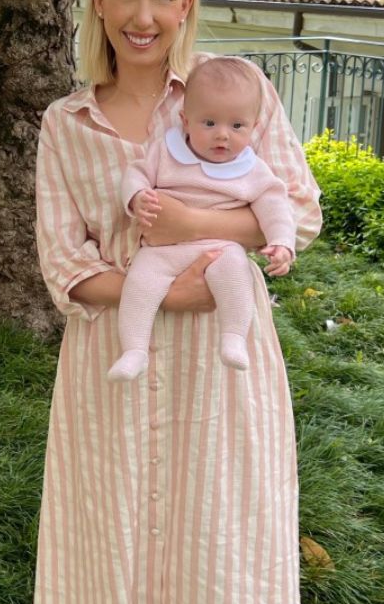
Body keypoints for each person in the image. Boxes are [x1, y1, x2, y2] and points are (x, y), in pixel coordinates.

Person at [31, 0, 322, 604]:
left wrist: (198, 233)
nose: (144, 15)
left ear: (186, 6)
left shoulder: (235, 95)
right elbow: (64, 264)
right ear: (99, 5)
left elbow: (298, 210)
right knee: (134, 526)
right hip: (117, 356)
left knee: (235, 540)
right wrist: (180, 283)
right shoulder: (64, 126)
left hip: (224, 372)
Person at [108, 55, 297, 381]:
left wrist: (282, 242)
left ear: (253, 127)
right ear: (185, 120)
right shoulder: (166, 152)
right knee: (140, 281)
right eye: (209, 123)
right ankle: (134, 351)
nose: (222, 135)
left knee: (236, 269)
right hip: (161, 250)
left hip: (219, 248)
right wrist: (137, 196)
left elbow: (275, 205)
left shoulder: (251, 169)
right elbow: (135, 174)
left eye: (237, 126)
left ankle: (234, 337)